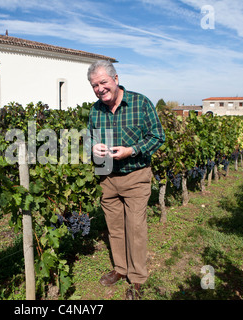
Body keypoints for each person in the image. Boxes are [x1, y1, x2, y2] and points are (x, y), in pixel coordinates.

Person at [86, 60, 165, 300]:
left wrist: (132, 150)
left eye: (103, 82)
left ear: (116, 79)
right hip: (107, 177)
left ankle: (138, 278)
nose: (99, 89)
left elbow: (158, 136)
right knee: (115, 227)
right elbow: (89, 138)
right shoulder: (95, 110)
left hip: (135, 176)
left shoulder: (140, 103)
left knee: (136, 228)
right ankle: (120, 269)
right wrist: (93, 149)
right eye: (94, 85)